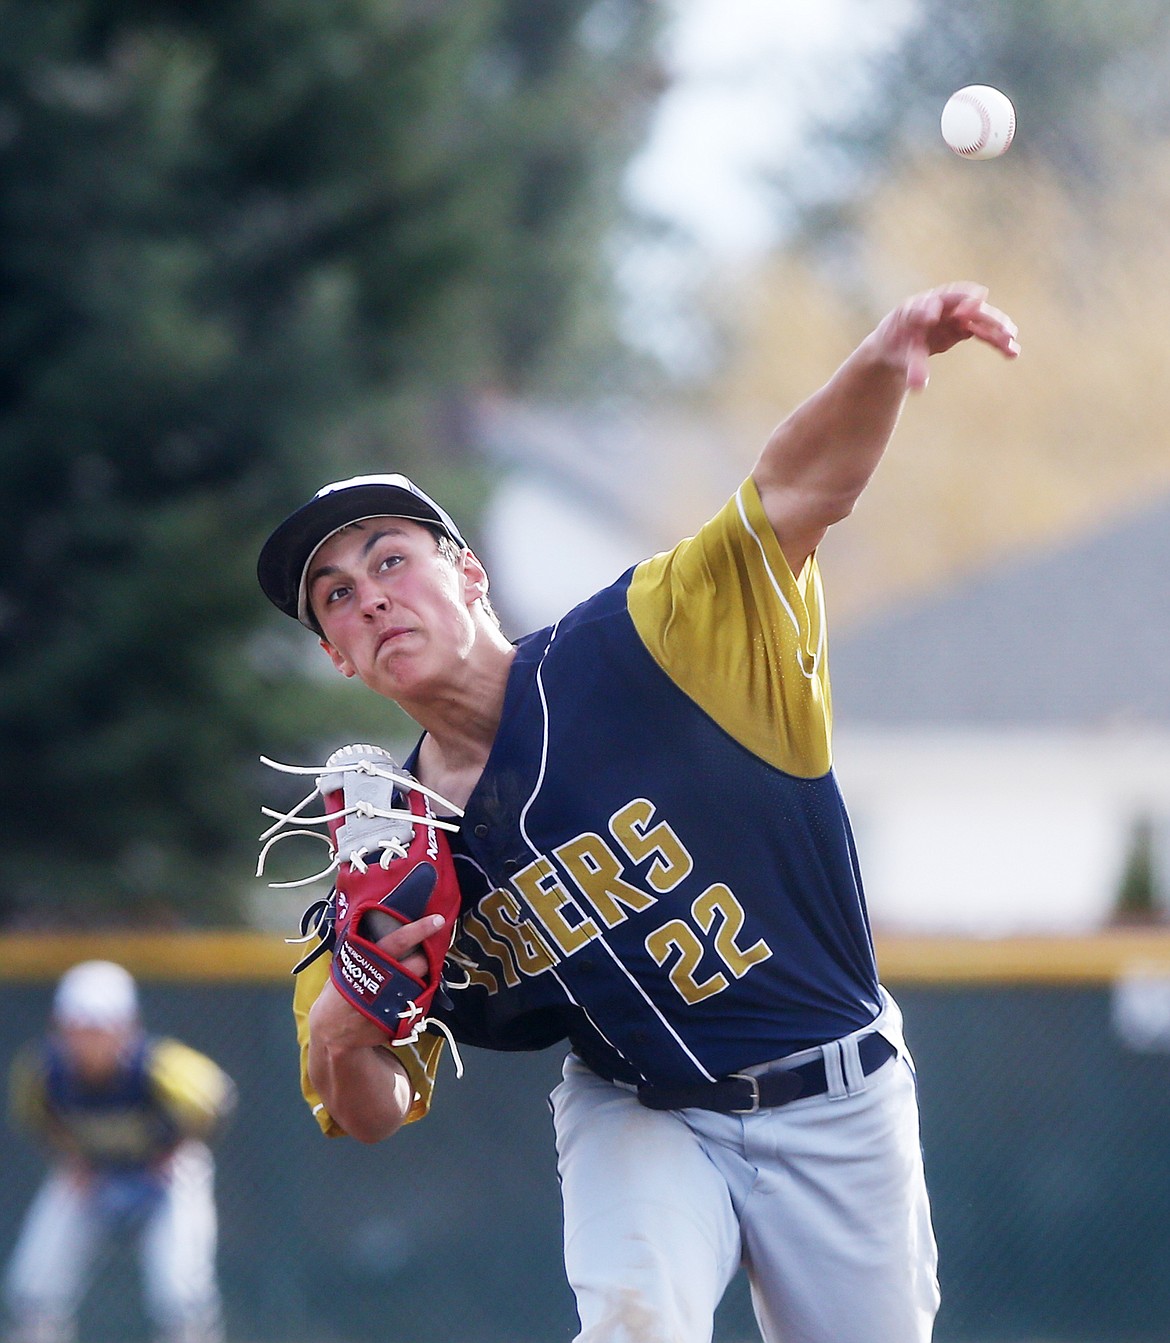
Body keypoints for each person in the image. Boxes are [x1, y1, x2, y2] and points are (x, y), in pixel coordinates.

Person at [256, 280, 1020, 1343]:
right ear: (337, 656)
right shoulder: (387, 852)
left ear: (470, 575)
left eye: (391, 558)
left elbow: (795, 489)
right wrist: (342, 1035)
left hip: (838, 1094)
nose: (369, 593)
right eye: (335, 594)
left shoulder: (646, 644)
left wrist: (884, 358)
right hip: (643, 1112)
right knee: (633, 1319)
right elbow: (366, 1110)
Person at [3, 960, 237, 1343]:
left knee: (182, 1295)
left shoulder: (159, 1065)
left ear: (126, 1026)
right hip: (92, 1173)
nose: (89, 1039)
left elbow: (218, 1100)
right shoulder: (43, 1071)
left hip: (164, 1175)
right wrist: (73, 1157)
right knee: (34, 1289)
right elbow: (34, 1117)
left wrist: (176, 1148)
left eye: (100, 1027)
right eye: (78, 1027)